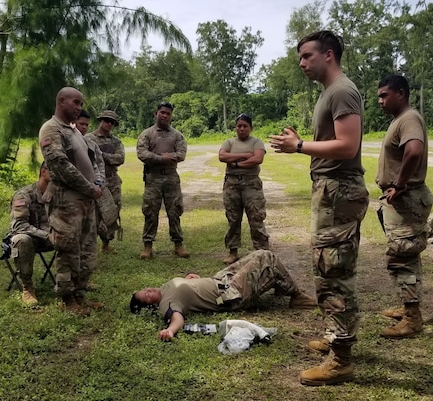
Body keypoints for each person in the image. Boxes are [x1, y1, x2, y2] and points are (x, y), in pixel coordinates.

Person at [268, 30, 369, 386]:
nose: (301, 63)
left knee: (335, 273)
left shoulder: (342, 91)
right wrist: (302, 144)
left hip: (339, 192)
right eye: (300, 57)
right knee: (327, 268)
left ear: (329, 55)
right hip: (331, 191)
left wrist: (299, 147)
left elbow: (347, 145)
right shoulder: (330, 92)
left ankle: (341, 358)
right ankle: (334, 337)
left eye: (307, 56)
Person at [130, 250, 317, 341]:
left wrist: (190, 280)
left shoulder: (164, 288)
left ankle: (279, 284)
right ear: (152, 306)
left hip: (221, 279)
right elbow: (176, 318)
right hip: (230, 294)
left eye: (145, 290)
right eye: (146, 297)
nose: (148, 292)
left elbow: (184, 288)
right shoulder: (167, 304)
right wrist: (170, 331)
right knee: (266, 258)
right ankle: (296, 295)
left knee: (259, 253)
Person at [375, 74, 433, 338]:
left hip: (406, 200)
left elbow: (414, 150)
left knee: (402, 256)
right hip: (403, 199)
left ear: (401, 93)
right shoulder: (401, 119)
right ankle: (408, 306)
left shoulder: (409, 119)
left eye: (384, 95)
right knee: (405, 254)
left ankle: (412, 318)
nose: (380, 101)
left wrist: (399, 184)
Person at [39, 87, 103, 316]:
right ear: (61, 101)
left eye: (80, 103)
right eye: (75, 102)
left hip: (85, 200)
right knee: (68, 250)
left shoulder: (74, 131)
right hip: (67, 201)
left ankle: (79, 295)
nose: (79, 107)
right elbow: (60, 166)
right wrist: (89, 188)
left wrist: (97, 183)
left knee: (86, 249)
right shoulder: (51, 129)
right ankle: (68, 300)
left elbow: (91, 159)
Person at [136, 101, 189, 259]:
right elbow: (141, 153)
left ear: (171, 116)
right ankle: (147, 246)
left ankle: (178, 244)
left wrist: (168, 157)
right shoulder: (147, 134)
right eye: (162, 112)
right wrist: (161, 158)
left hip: (171, 178)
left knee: (174, 211)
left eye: (168, 113)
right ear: (156, 114)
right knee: (150, 212)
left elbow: (181, 154)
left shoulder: (177, 135)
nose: (165, 115)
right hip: (153, 177)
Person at [218, 113, 270, 264]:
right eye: (239, 126)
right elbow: (222, 156)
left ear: (250, 128)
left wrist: (235, 163)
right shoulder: (229, 142)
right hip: (232, 184)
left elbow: (257, 159)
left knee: (256, 217)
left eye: (245, 126)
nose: (241, 129)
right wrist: (245, 155)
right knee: (233, 218)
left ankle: (261, 252)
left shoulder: (257, 142)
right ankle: (233, 251)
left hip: (251, 184)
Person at [8, 162, 53, 306]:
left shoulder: (58, 194)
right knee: (22, 240)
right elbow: (19, 225)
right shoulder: (24, 195)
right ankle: (27, 288)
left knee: (75, 233)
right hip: (29, 237)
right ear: (43, 172)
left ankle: (74, 281)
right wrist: (47, 235)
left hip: (49, 236)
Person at [85, 110, 125, 253]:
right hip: (94, 180)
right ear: (100, 120)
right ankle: (91, 245)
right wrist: (107, 157)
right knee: (94, 214)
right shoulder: (88, 139)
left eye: (112, 122)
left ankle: (106, 244)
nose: (109, 124)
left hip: (112, 180)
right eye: (107, 120)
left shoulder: (116, 141)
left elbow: (120, 158)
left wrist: (101, 155)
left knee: (112, 212)